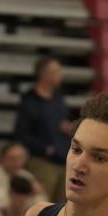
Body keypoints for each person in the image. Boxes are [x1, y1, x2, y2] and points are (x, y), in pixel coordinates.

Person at [14, 56, 72, 202]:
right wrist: (44, 148)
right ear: (44, 74)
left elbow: (62, 121)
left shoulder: (58, 97)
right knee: (44, 203)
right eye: (56, 71)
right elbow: (21, 133)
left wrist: (67, 127)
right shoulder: (30, 100)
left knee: (64, 205)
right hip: (42, 161)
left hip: (63, 158)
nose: (61, 75)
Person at [0, 141, 44, 210]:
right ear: (2, 158)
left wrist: (32, 195)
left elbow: (41, 201)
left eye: (20, 158)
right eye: (12, 158)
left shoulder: (26, 175)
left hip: (24, 213)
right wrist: (25, 197)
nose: (17, 162)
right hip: (0, 214)